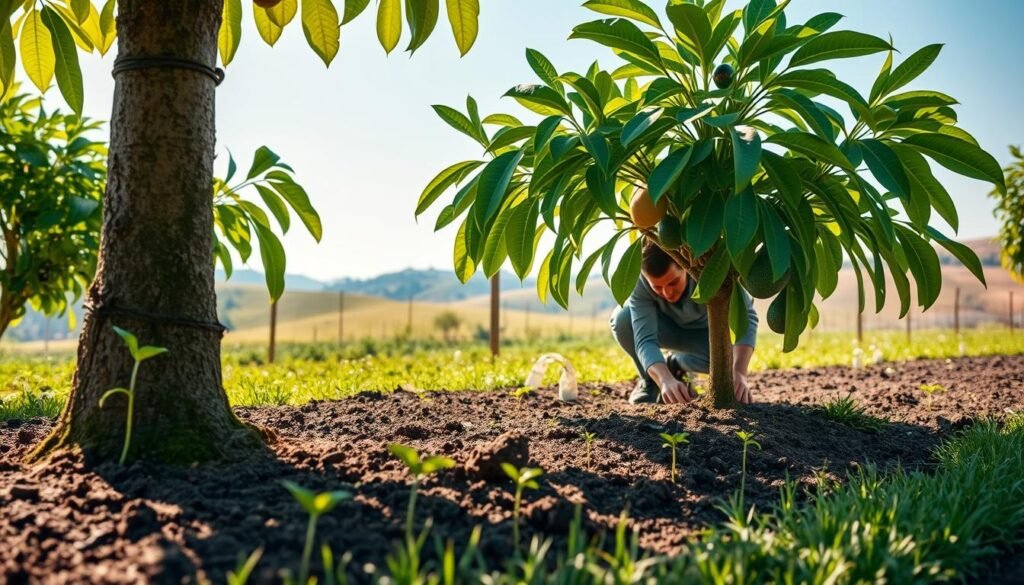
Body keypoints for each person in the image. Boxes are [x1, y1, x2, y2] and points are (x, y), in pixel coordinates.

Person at [609, 238, 758, 405]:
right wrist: (664, 379)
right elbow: (645, 340)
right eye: (657, 287)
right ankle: (650, 381)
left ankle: (676, 364)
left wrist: (738, 373)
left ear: (686, 267)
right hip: (666, 329)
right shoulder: (640, 282)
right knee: (622, 318)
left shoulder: (711, 268)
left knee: (723, 365)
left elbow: (748, 318)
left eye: (673, 282)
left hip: (707, 336)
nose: (667, 292)